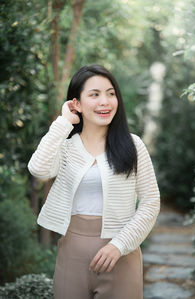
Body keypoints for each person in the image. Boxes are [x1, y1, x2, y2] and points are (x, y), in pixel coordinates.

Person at [27, 64, 160, 299]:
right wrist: (63, 122)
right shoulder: (66, 148)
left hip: (121, 255)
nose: (105, 102)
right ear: (76, 103)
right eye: (94, 94)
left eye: (111, 94)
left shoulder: (133, 145)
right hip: (72, 254)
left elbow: (151, 202)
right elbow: (38, 169)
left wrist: (118, 245)